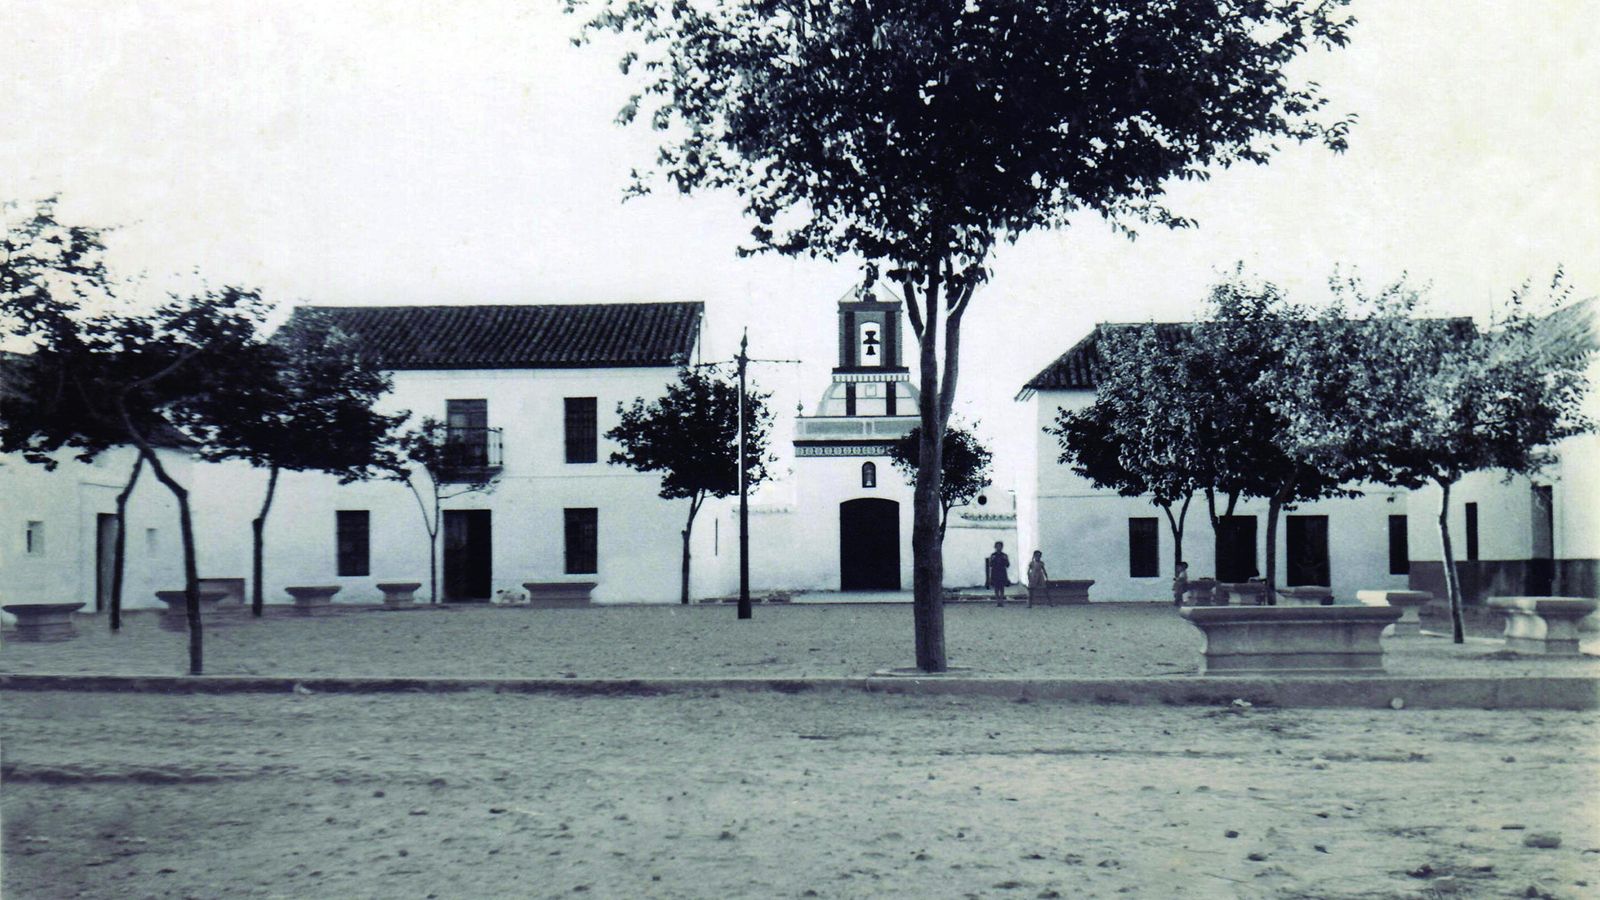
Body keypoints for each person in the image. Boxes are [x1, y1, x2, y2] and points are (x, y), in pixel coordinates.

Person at [988, 541, 1011, 607]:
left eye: (1000, 546)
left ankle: (1001, 600)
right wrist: (992, 560)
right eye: (997, 546)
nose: (998, 548)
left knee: (1002, 587)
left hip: (1002, 572)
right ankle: (997, 601)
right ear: (995, 547)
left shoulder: (1004, 555)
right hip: (995, 572)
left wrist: (1005, 559)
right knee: (996, 587)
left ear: (1002, 547)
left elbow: (1007, 565)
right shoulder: (993, 555)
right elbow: (990, 565)